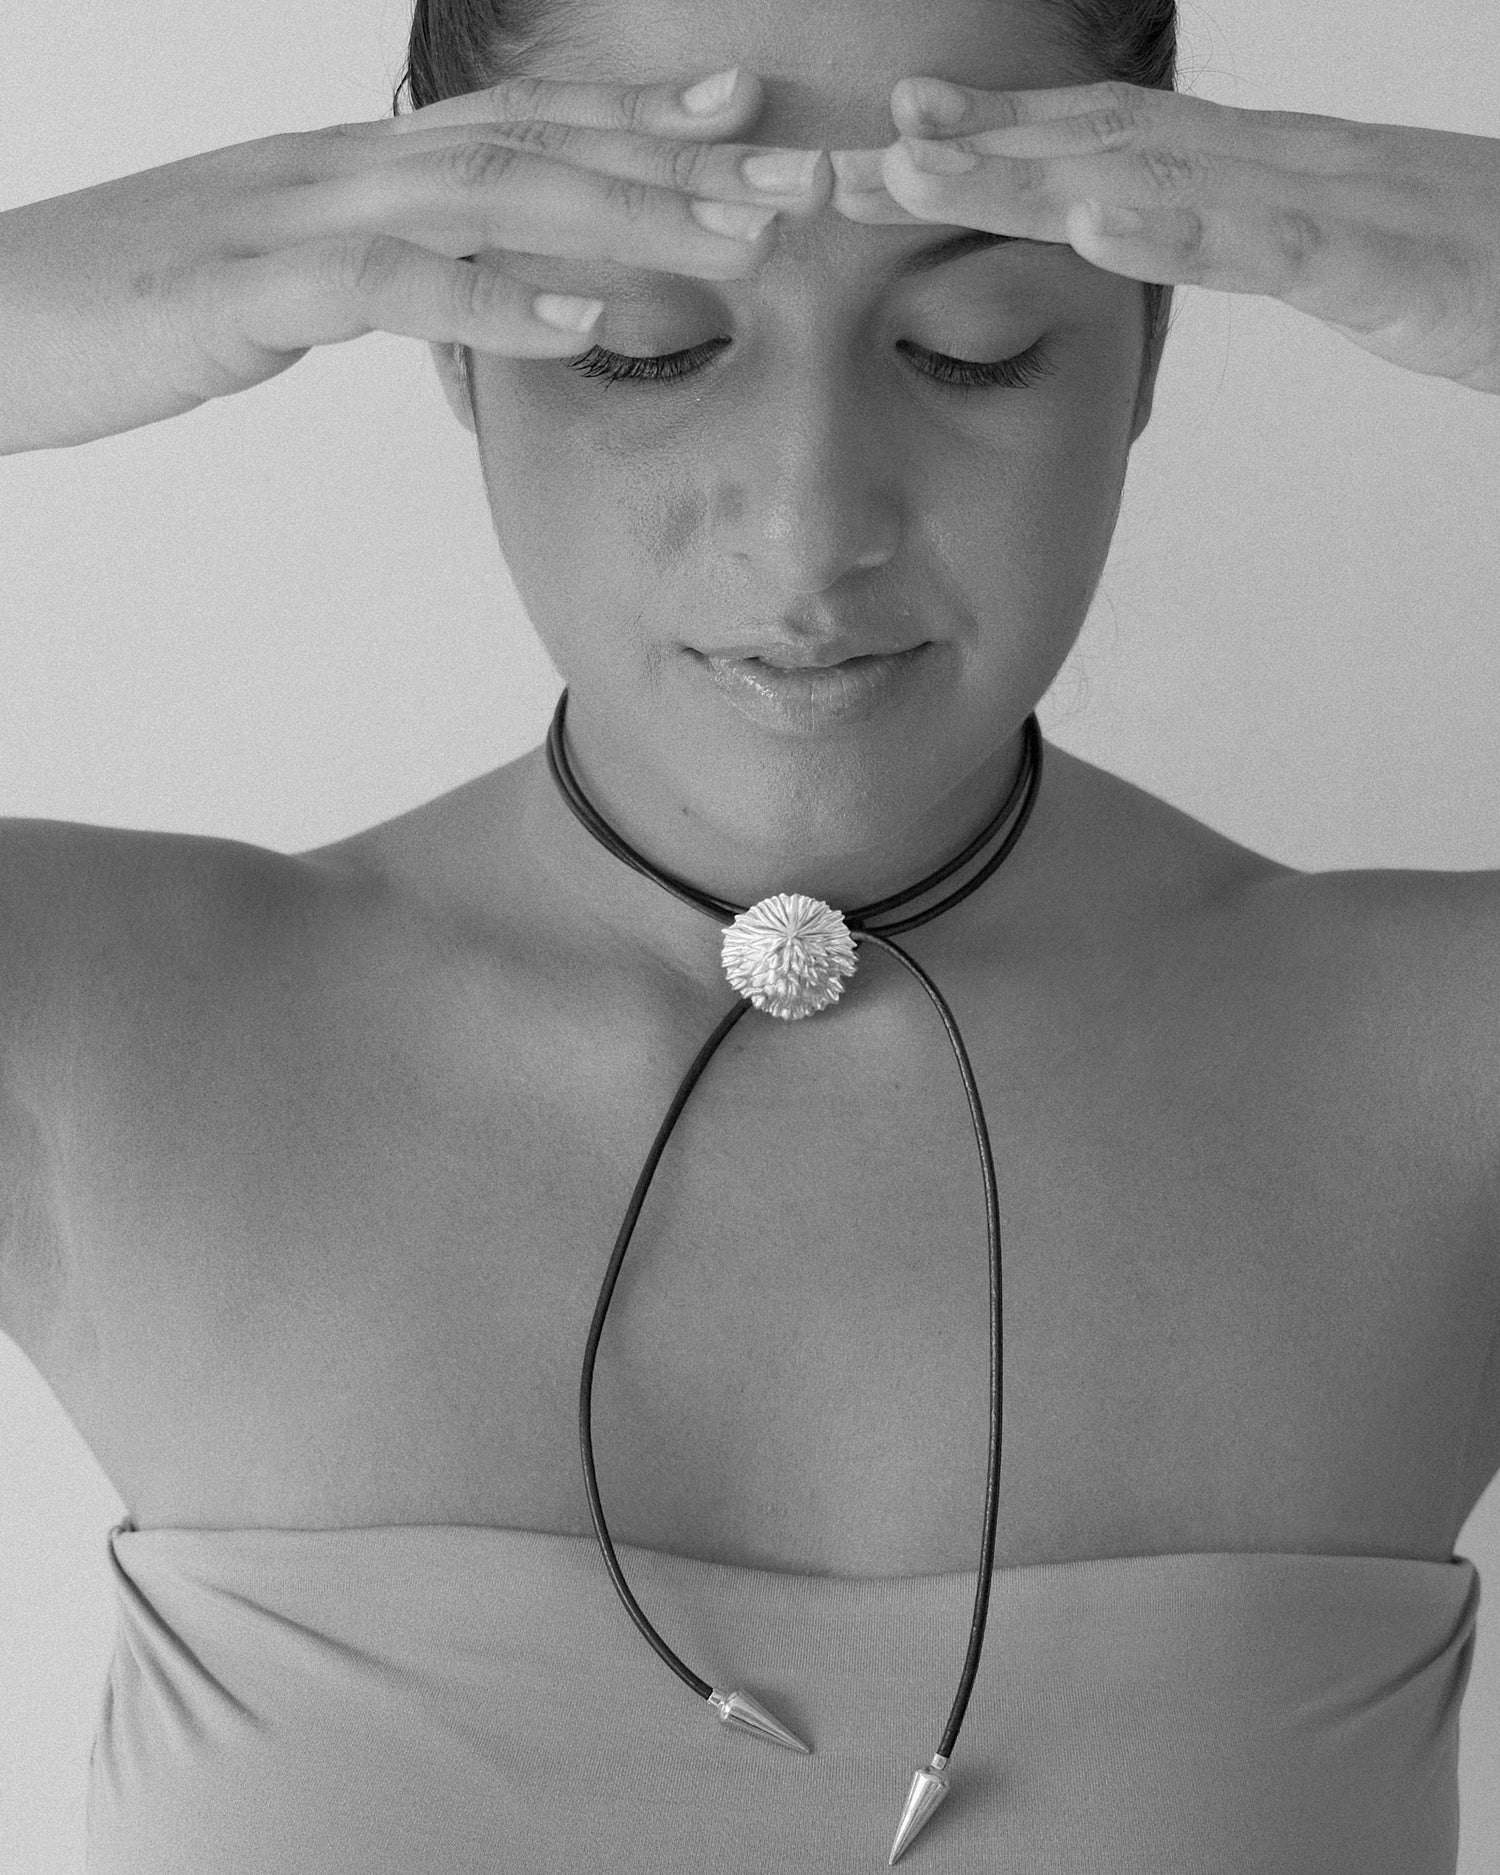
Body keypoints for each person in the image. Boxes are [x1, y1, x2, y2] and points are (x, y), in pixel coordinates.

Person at [2, 0, 1498, 1869]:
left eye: (975, 350)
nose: (809, 528)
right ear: (447, 343)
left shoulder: (1445, 1065)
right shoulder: (88, 1021)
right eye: (640, 346)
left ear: (1146, 340)